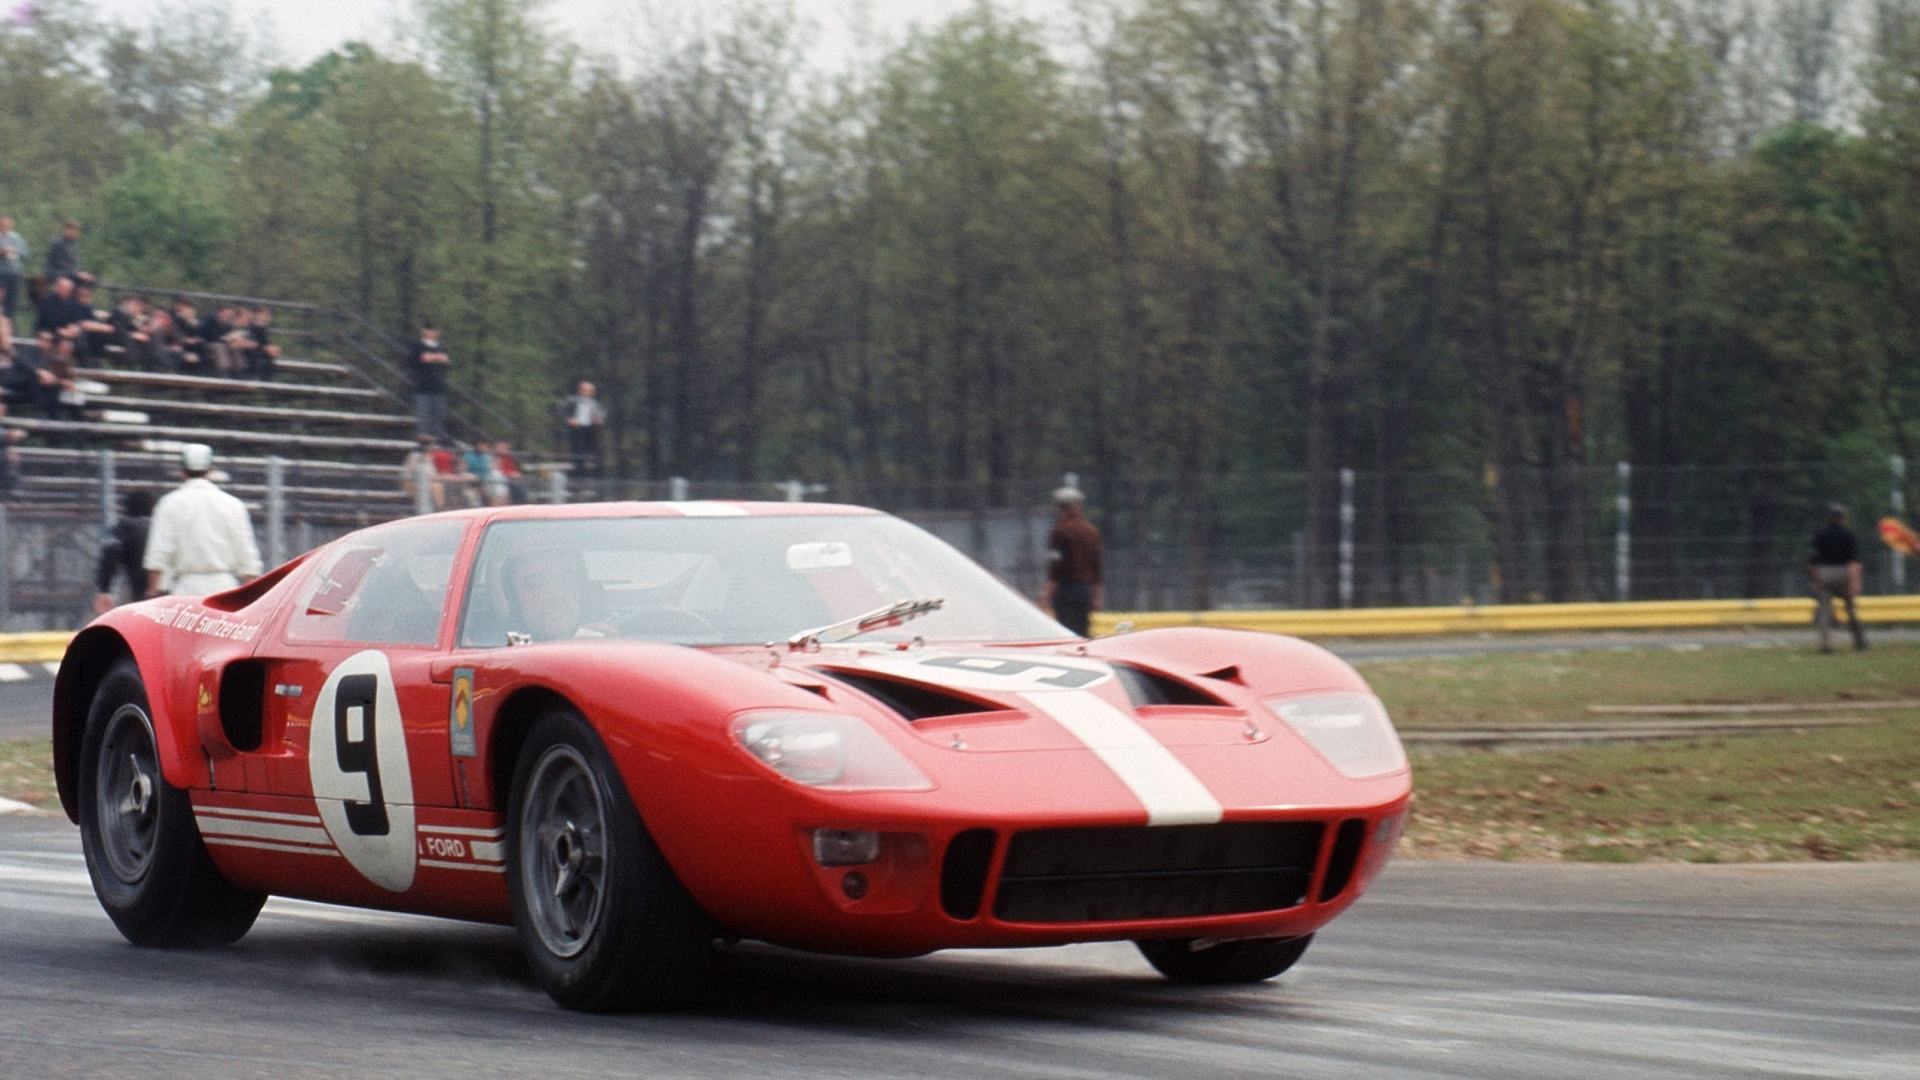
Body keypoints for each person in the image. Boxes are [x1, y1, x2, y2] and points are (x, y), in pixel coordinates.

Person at [144, 443, 263, 598]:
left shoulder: (169, 503)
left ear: (182, 472)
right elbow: (247, 557)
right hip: (224, 589)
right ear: (211, 470)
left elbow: (158, 556)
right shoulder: (233, 505)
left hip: (185, 590)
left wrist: (152, 593)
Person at [1044, 483, 1104, 637]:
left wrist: (1044, 597)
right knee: (1082, 630)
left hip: (1066, 590)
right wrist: (1096, 595)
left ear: (1060, 508)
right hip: (1086, 590)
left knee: (1066, 631)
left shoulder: (1060, 531)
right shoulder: (1092, 531)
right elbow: (1097, 567)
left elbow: (1055, 568)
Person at [1809, 504, 1866, 652]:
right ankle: (1859, 640)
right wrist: (1855, 582)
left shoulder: (1820, 535)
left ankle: (1825, 645)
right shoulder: (1848, 536)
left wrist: (1816, 580)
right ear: (1843, 518)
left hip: (1825, 573)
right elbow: (1854, 563)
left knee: (1825, 611)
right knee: (1850, 608)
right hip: (1844, 573)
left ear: (1829, 518)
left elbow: (1813, 563)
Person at [93, 490, 156, 613]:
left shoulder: (125, 527)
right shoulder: (161, 527)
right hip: (173, 592)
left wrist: (104, 590)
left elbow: (110, 555)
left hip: (140, 593)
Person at [408, 323, 451, 440]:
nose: (432, 333)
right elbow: (412, 362)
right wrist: (429, 359)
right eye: (430, 330)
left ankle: (438, 439)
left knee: (438, 416)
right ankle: (424, 440)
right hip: (423, 386)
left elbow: (446, 363)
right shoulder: (417, 345)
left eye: (435, 330)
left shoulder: (441, 346)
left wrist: (440, 360)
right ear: (424, 331)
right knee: (424, 415)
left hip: (438, 386)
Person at [560, 381, 605, 477]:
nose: (589, 393)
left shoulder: (594, 403)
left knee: (592, 452)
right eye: (586, 390)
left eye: (591, 391)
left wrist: (598, 420)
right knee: (577, 452)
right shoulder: (572, 400)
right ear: (580, 390)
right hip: (576, 430)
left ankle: (592, 473)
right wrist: (569, 420)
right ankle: (577, 473)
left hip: (589, 430)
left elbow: (600, 416)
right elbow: (562, 412)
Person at [0, 215, 26, 320]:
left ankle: (9, 324)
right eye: (3, 223)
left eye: (7, 223)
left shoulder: (17, 238)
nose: (5, 225)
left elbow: (25, 253)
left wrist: (14, 251)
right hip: (1, 273)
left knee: (11, 302)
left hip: (13, 273)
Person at [246, 305, 280, 378]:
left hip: (259, 350)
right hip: (252, 351)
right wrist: (266, 348)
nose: (267, 317)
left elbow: (264, 341)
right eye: (265, 314)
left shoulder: (261, 327)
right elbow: (254, 342)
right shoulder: (253, 326)